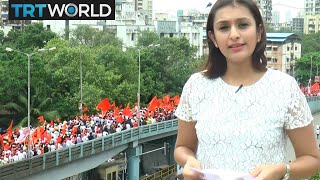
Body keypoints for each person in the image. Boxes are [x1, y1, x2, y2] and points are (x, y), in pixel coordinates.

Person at [174, 0, 320, 179]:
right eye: (224, 27)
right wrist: (189, 161)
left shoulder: (284, 88)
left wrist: (283, 170)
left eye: (243, 25)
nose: (234, 34)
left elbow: (311, 159)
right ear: (213, 38)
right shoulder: (196, 86)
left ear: (259, 32)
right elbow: (182, 147)